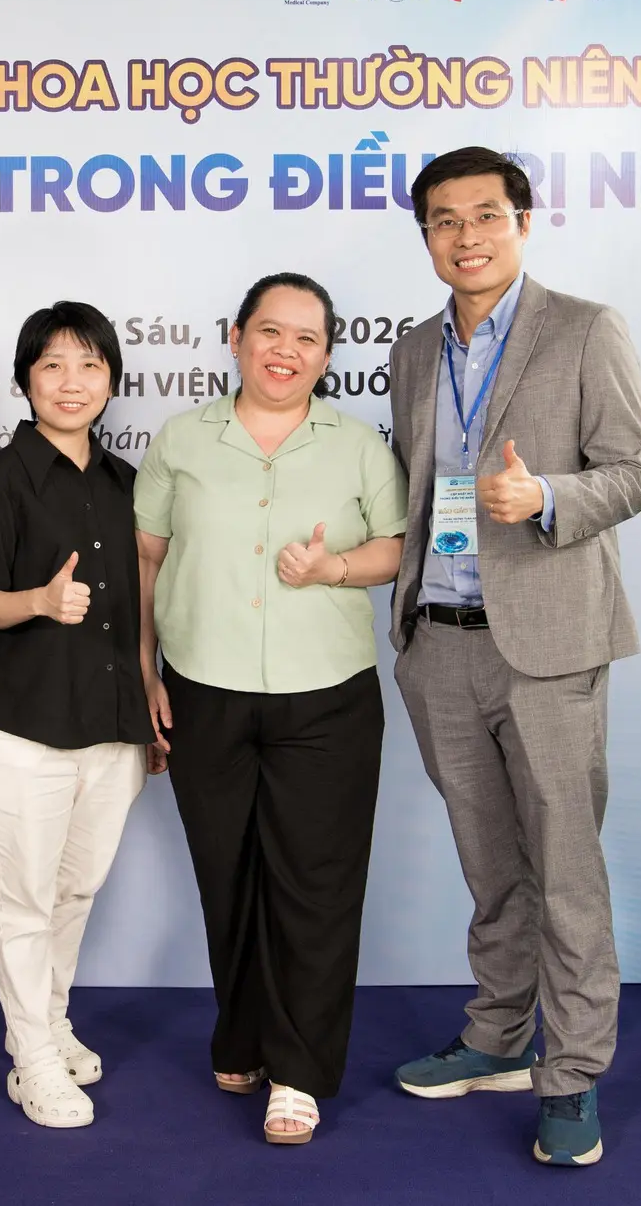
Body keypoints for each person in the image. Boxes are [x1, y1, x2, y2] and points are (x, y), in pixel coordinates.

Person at [384, 146, 641, 1168]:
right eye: (444, 221)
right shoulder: (413, 351)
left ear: (522, 223)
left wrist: (543, 496)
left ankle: (572, 1071)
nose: (466, 237)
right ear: (426, 237)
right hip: (440, 644)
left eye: (485, 215)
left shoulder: (584, 329)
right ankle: (497, 1034)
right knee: (491, 866)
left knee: (565, 871)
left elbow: (631, 473)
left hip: (546, 647)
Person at [135, 273, 407, 1146]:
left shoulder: (357, 445)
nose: (286, 351)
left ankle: (298, 1070)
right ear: (236, 337)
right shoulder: (182, 438)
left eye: (307, 338)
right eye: (269, 331)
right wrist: (143, 670)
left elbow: (396, 548)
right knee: (229, 871)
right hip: (203, 687)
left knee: (315, 882)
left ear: (327, 355)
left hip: (325, 695)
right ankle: (244, 1031)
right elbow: (147, 559)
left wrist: (334, 569)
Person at [0, 302, 160, 1130]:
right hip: (25, 723)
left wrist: (148, 690)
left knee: (75, 888)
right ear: (25, 380)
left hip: (112, 721)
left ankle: (49, 1021)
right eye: (52, 365)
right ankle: (32, 1060)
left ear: (110, 379)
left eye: (88, 365)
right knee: (23, 899)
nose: (71, 382)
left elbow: (142, 606)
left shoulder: (128, 484)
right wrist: (39, 600)